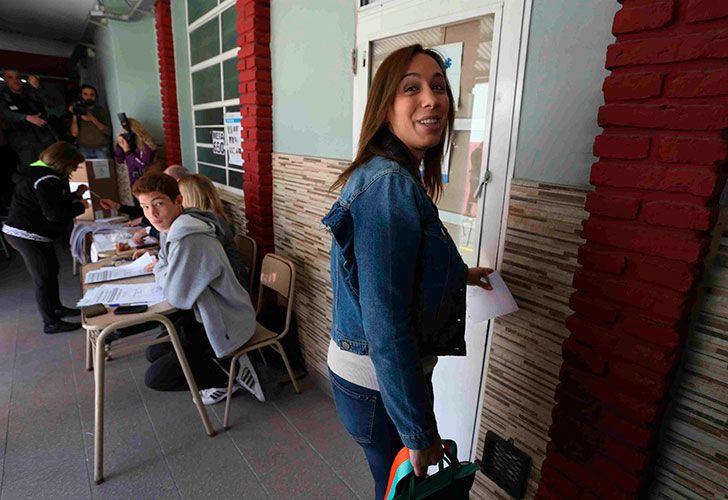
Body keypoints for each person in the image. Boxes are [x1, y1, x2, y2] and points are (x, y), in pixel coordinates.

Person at [321, 44, 493, 498]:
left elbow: (396, 272)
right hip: (378, 385)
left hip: (367, 378)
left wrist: (461, 274)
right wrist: (419, 431)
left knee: (391, 488)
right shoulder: (389, 184)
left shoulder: (390, 175)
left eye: (439, 87)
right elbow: (385, 320)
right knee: (398, 493)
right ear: (385, 106)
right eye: (411, 88)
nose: (432, 99)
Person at [131, 173, 262, 404]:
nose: (152, 214)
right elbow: (164, 266)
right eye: (145, 207)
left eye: (159, 204)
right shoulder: (171, 228)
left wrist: (162, 272)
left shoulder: (189, 237)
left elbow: (177, 295)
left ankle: (227, 376)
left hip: (221, 320)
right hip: (200, 314)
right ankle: (221, 368)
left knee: (156, 378)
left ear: (179, 200)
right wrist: (165, 271)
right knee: (154, 352)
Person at [2, 141, 88, 333]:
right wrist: (80, 206)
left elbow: (48, 200)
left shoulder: (37, 170)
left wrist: (75, 195)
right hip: (25, 234)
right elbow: (53, 213)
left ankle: (57, 307)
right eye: (72, 166)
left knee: (52, 270)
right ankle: (50, 323)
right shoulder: (47, 178)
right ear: (63, 162)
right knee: (43, 277)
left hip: (31, 233)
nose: (73, 170)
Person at [177, 174, 250, 289]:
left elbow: (203, 262)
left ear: (188, 197)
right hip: (224, 277)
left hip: (232, 282)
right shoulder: (208, 217)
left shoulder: (210, 223)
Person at [0, 69, 57, 168]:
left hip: (44, 137)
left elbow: (51, 103)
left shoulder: (31, 91)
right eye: (10, 77)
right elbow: (4, 113)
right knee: (31, 171)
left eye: (17, 77)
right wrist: (27, 118)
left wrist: (37, 87)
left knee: (52, 167)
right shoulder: (3, 97)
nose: (15, 80)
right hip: (23, 141)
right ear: (5, 80)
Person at [69, 84, 111, 159]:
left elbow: (108, 131)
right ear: (80, 95)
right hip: (83, 149)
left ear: (95, 97)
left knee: (104, 170)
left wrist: (91, 118)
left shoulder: (101, 111)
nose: (89, 97)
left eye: (92, 95)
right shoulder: (77, 111)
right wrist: (75, 114)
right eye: (85, 94)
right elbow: (74, 134)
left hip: (101, 148)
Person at [114, 117, 156, 186]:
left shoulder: (146, 145)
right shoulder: (129, 144)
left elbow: (143, 166)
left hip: (146, 182)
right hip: (133, 182)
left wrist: (128, 152)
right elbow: (119, 160)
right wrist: (120, 145)